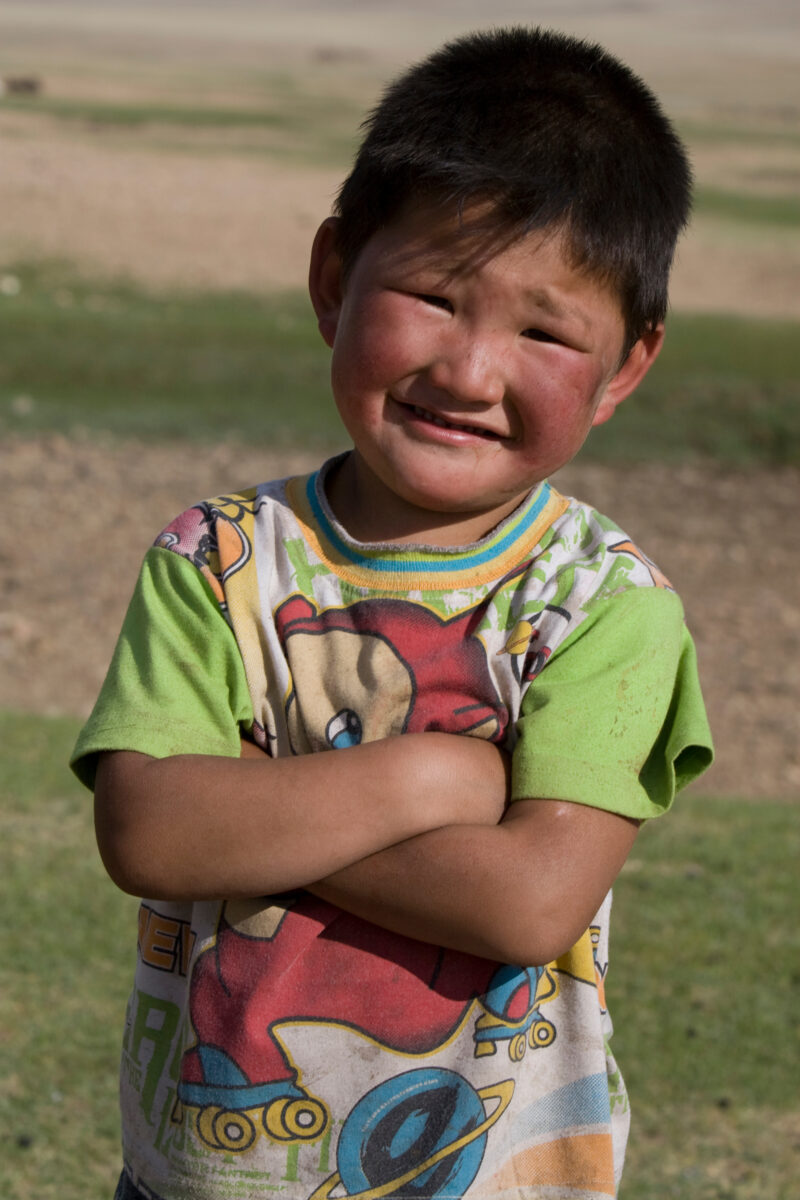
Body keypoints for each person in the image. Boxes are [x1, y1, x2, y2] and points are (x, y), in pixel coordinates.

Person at [71, 26, 714, 1200]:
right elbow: (150, 835)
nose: (468, 371)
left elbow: (528, 900)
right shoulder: (215, 560)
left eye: (542, 331)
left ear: (623, 369)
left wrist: (258, 814)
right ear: (332, 279)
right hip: (200, 1174)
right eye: (431, 297)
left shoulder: (602, 605)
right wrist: (431, 782)